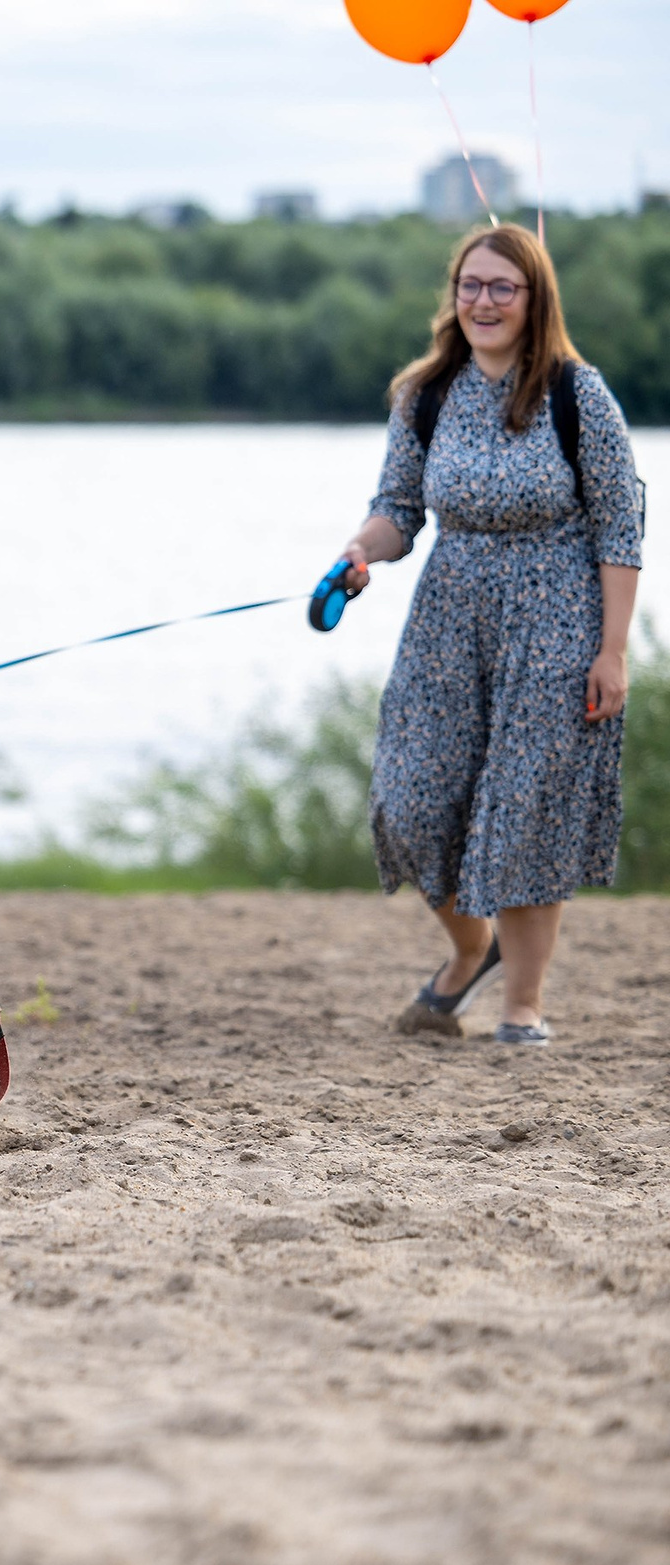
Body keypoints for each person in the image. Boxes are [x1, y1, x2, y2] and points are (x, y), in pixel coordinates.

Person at [337, 224, 645, 1045]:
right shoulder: (426, 394)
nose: (483, 300)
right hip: (447, 617)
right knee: (408, 800)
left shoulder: (581, 397)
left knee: (524, 815)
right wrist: (362, 550)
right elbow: (400, 508)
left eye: (502, 287)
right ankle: (474, 951)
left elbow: (621, 528)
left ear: (535, 297)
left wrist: (612, 650)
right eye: (470, 284)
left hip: (558, 621)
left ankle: (523, 1006)